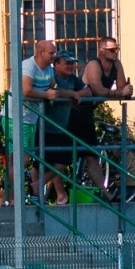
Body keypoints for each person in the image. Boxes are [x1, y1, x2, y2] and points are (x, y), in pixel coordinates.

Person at [41, 50, 92, 203]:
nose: (70, 66)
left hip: (62, 127)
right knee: (45, 162)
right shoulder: (51, 75)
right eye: (67, 63)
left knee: (63, 160)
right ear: (56, 64)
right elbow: (54, 91)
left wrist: (75, 94)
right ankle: (49, 193)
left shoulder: (72, 78)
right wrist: (72, 93)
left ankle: (55, 193)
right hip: (47, 126)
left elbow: (88, 91)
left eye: (72, 63)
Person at [13, 40, 59, 204]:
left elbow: (53, 87)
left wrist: (65, 93)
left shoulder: (48, 69)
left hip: (32, 118)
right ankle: (10, 195)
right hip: (17, 117)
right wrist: (46, 95)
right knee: (22, 159)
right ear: (40, 53)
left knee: (28, 158)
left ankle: (24, 194)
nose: (54, 56)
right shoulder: (28, 66)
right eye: (51, 53)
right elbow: (25, 90)